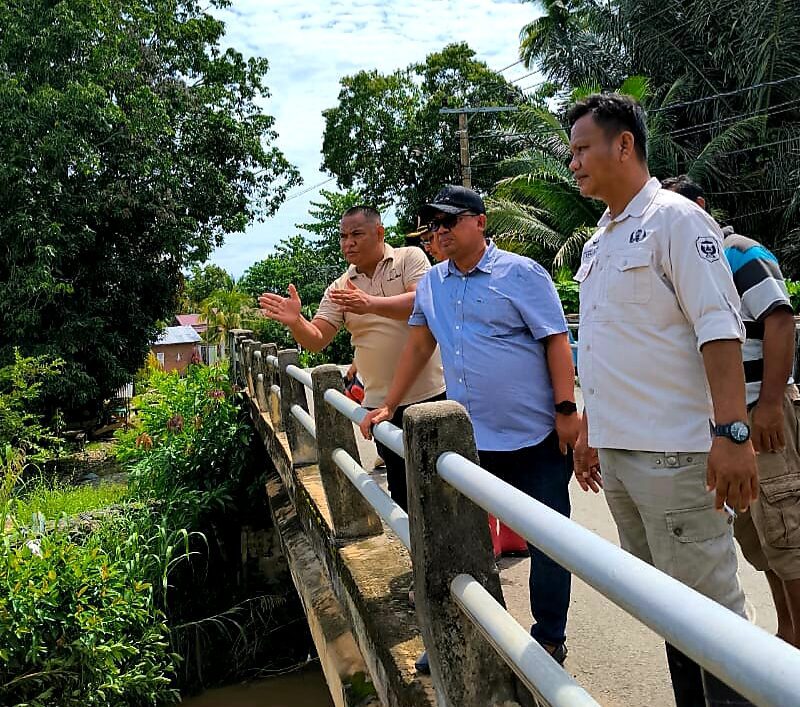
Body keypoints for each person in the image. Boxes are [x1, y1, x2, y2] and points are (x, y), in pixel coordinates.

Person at [568, 93, 758, 706]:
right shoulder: (598, 241)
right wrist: (593, 429)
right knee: (668, 614)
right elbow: (608, 348)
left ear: (623, 145)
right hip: (622, 458)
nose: (572, 163)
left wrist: (732, 434)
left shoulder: (675, 220)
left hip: (676, 458)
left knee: (714, 624)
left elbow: (718, 328)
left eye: (581, 149)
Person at [360, 185, 580, 664]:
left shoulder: (521, 273)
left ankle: (548, 639)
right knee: (461, 541)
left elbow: (556, 341)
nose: (440, 232)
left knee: (548, 541)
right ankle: (471, 630)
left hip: (535, 437)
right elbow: (418, 346)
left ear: (480, 222)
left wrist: (567, 412)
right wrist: (389, 407)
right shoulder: (433, 284)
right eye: (433, 225)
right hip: (470, 444)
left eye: (450, 221)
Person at [663, 174, 800, 648]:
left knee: (787, 530)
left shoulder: (736, 251)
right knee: (759, 538)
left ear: (701, 206)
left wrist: (767, 406)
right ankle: (786, 633)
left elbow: (780, 320)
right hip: (730, 419)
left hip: (761, 410)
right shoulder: (685, 263)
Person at [258, 206, 446, 511]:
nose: (349, 243)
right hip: (380, 407)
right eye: (343, 236)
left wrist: (369, 303)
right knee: (404, 495)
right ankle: (419, 557)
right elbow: (317, 339)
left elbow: (420, 302)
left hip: (431, 395)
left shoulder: (409, 258)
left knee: (443, 490)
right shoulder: (339, 288)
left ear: (379, 233)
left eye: (357, 234)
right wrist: (296, 322)